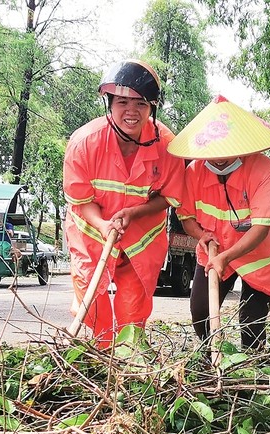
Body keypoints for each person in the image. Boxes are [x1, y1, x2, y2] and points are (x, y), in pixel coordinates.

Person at [62, 59, 184, 346]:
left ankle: (129, 360)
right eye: (122, 102)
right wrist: (103, 224)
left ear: (152, 107)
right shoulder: (84, 143)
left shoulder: (167, 144)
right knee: (93, 309)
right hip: (92, 237)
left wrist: (134, 212)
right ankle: (102, 355)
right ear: (110, 104)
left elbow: (170, 196)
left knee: (133, 315)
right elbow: (81, 200)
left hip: (141, 240)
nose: (131, 111)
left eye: (140, 103)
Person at [168, 95, 270, 350]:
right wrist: (200, 235)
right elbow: (187, 217)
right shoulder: (194, 172)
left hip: (260, 257)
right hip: (215, 251)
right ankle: (211, 359)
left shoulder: (263, 170)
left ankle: (252, 366)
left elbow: (260, 229)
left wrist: (227, 257)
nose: (220, 158)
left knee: (251, 321)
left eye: (227, 149)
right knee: (201, 311)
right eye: (213, 151)